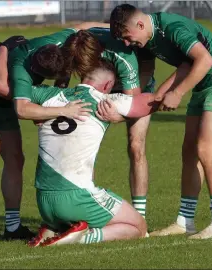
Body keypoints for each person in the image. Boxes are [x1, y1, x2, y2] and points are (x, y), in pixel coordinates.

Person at [107, 4, 212, 239]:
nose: (126, 44)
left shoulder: (173, 28)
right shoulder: (146, 39)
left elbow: (205, 61)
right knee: (189, 151)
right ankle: (185, 221)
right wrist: (142, 102)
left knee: (205, 149)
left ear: (140, 25)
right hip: (202, 83)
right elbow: (184, 65)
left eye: (127, 37)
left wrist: (177, 93)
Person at [0, 36, 90, 245]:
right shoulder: (22, 70)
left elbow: (81, 27)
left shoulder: (56, 41)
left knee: (15, 160)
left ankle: (12, 226)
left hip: (4, 103)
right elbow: (16, 104)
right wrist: (63, 110)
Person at [27, 60, 162, 247]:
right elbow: (153, 101)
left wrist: (38, 113)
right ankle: (82, 237)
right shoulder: (106, 101)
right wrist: (120, 117)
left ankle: (53, 227)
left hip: (43, 200)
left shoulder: (49, 95)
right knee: (138, 227)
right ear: (108, 85)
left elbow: (10, 88)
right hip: (75, 198)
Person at [62, 28, 156, 220]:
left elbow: (134, 100)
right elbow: (61, 83)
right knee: (84, 145)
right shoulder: (75, 47)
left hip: (135, 87)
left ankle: (140, 216)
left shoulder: (122, 57)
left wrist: (117, 117)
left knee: (136, 146)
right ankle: (83, 208)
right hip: (98, 86)